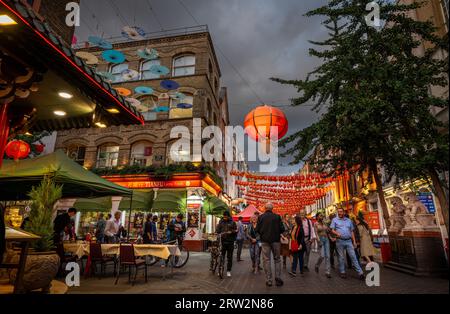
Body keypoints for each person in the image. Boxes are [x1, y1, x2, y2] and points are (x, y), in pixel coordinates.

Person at [330, 207, 365, 280]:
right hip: (339, 241)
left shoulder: (349, 220)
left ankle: (360, 273)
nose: (339, 213)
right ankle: (342, 272)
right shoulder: (334, 220)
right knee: (341, 257)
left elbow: (352, 231)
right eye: (338, 212)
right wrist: (337, 233)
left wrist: (354, 241)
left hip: (349, 241)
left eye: (341, 212)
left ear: (343, 212)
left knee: (353, 257)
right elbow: (332, 230)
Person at [255, 203, 284, 287]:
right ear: (272, 208)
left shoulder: (261, 217)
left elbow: (257, 230)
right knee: (277, 259)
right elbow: (282, 229)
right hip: (276, 241)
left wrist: (260, 236)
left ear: (265, 208)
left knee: (266, 260)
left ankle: (269, 280)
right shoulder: (277, 217)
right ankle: (278, 277)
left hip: (265, 241)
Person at [215, 211, 238, 277]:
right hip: (222, 241)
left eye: (226, 216)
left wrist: (231, 232)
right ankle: (220, 270)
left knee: (229, 257)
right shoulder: (221, 221)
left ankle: (228, 270)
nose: (225, 217)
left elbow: (236, 231)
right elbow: (218, 229)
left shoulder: (232, 222)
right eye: (224, 216)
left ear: (228, 216)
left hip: (230, 241)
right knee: (221, 256)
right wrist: (217, 232)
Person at [314, 213, 331, 278]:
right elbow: (316, 233)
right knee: (322, 256)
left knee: (328, 256)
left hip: (326, 239)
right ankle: (317, 265)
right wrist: (318, 241)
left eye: (322, 216)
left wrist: (328, 228)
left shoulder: (325, 223)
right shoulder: (315, 224)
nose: (322, 216)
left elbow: (328, 231)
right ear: (317, 217)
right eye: (320, 215)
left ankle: (328, 272)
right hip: (320, 239)